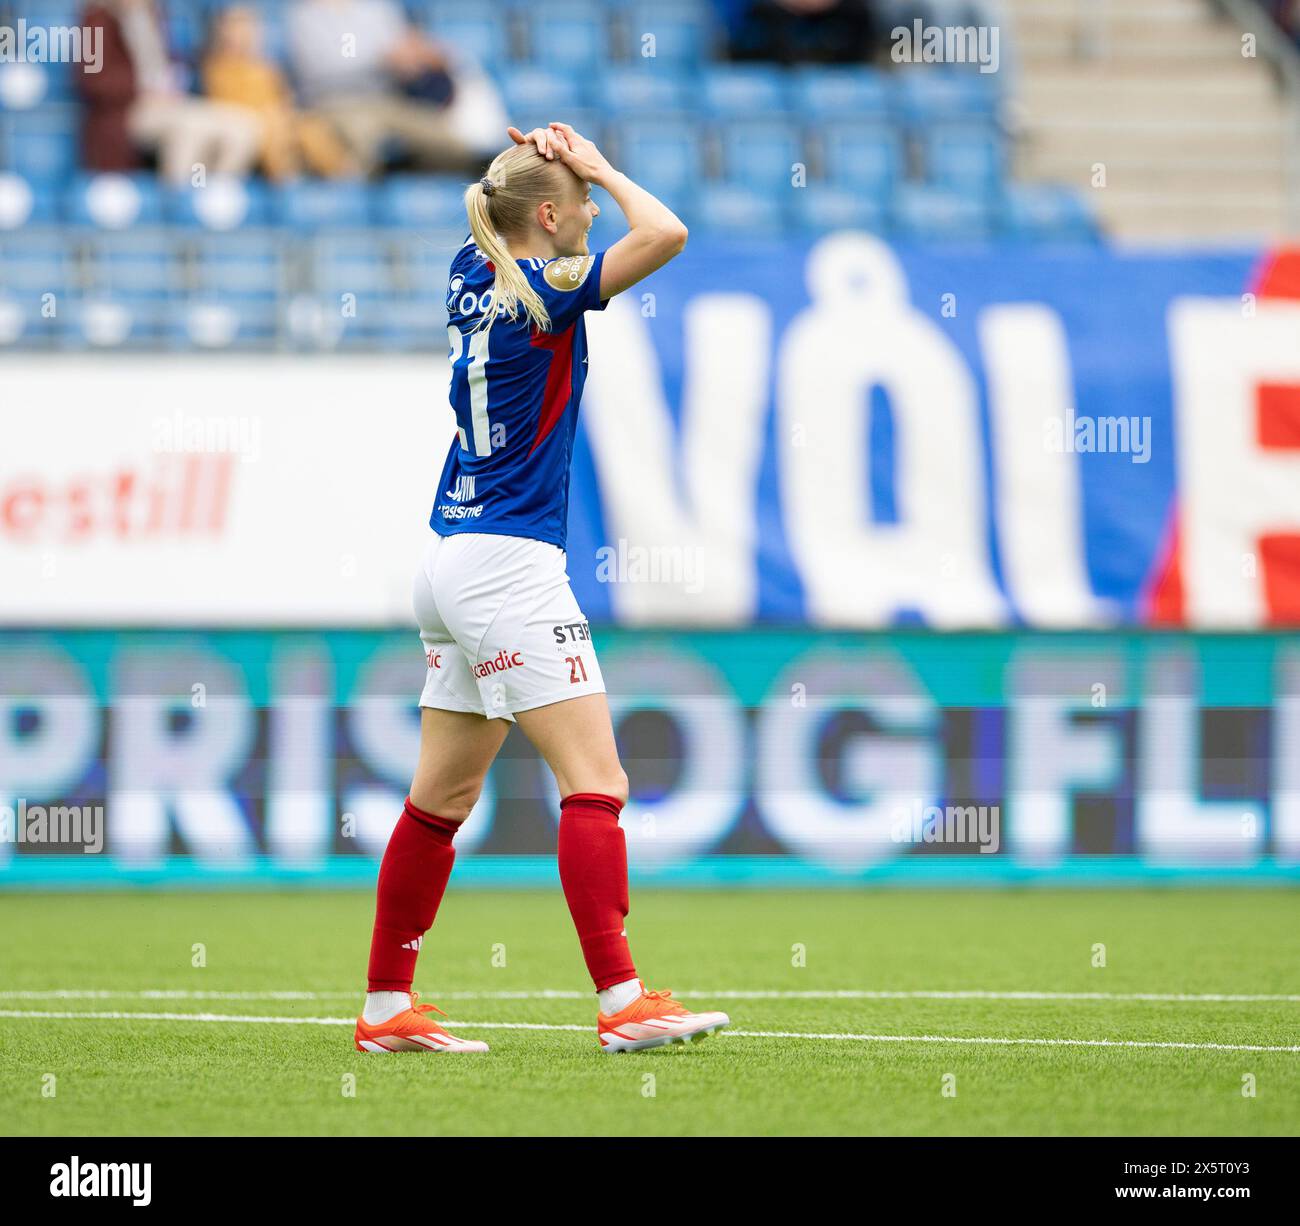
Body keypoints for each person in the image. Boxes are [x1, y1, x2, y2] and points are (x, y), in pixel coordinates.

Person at [354, 123, 731, 1055]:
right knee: (596, 781)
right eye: (583, 202)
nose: (597, 210)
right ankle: (621, 1001)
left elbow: (506, 203)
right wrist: (600, 161)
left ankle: (384, 1008)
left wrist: (534, 166)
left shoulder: (468, 270)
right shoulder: (548, 290)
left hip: (447, 559)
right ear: (553, 215)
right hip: (509, 565)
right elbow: (669, 233)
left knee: (439, 802)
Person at [285, 0, 506, 176]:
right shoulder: (304, 15)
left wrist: (417, 58)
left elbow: (400, 53)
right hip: (334, 104)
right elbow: (317, 70)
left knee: (444, 138)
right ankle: (367, 197)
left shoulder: (378, 8)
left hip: (388, 100)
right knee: (364, 139)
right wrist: (379, 59)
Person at [76, 0, 260, 183]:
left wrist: (176, 76)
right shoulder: (96, 20)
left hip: (169, 103)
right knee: (191, 126)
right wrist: (144, 87)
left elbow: (167, 61)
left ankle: (213, 196)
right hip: (127, 111)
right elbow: (93, 82)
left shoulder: (153, 14)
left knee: (243, 126)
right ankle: (178, 198)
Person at [202, 5, 357, 181]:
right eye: (235, 27)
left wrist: (283, 111)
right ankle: (285, 181)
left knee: (310, 128)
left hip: (281, 119)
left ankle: (345, 176)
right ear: (222, 32)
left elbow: (284, 97)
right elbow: (224, 105)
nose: (242, 34)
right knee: (272, 126)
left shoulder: (266, 67)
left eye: (248, 27)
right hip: (253, 122)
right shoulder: (216, 69)